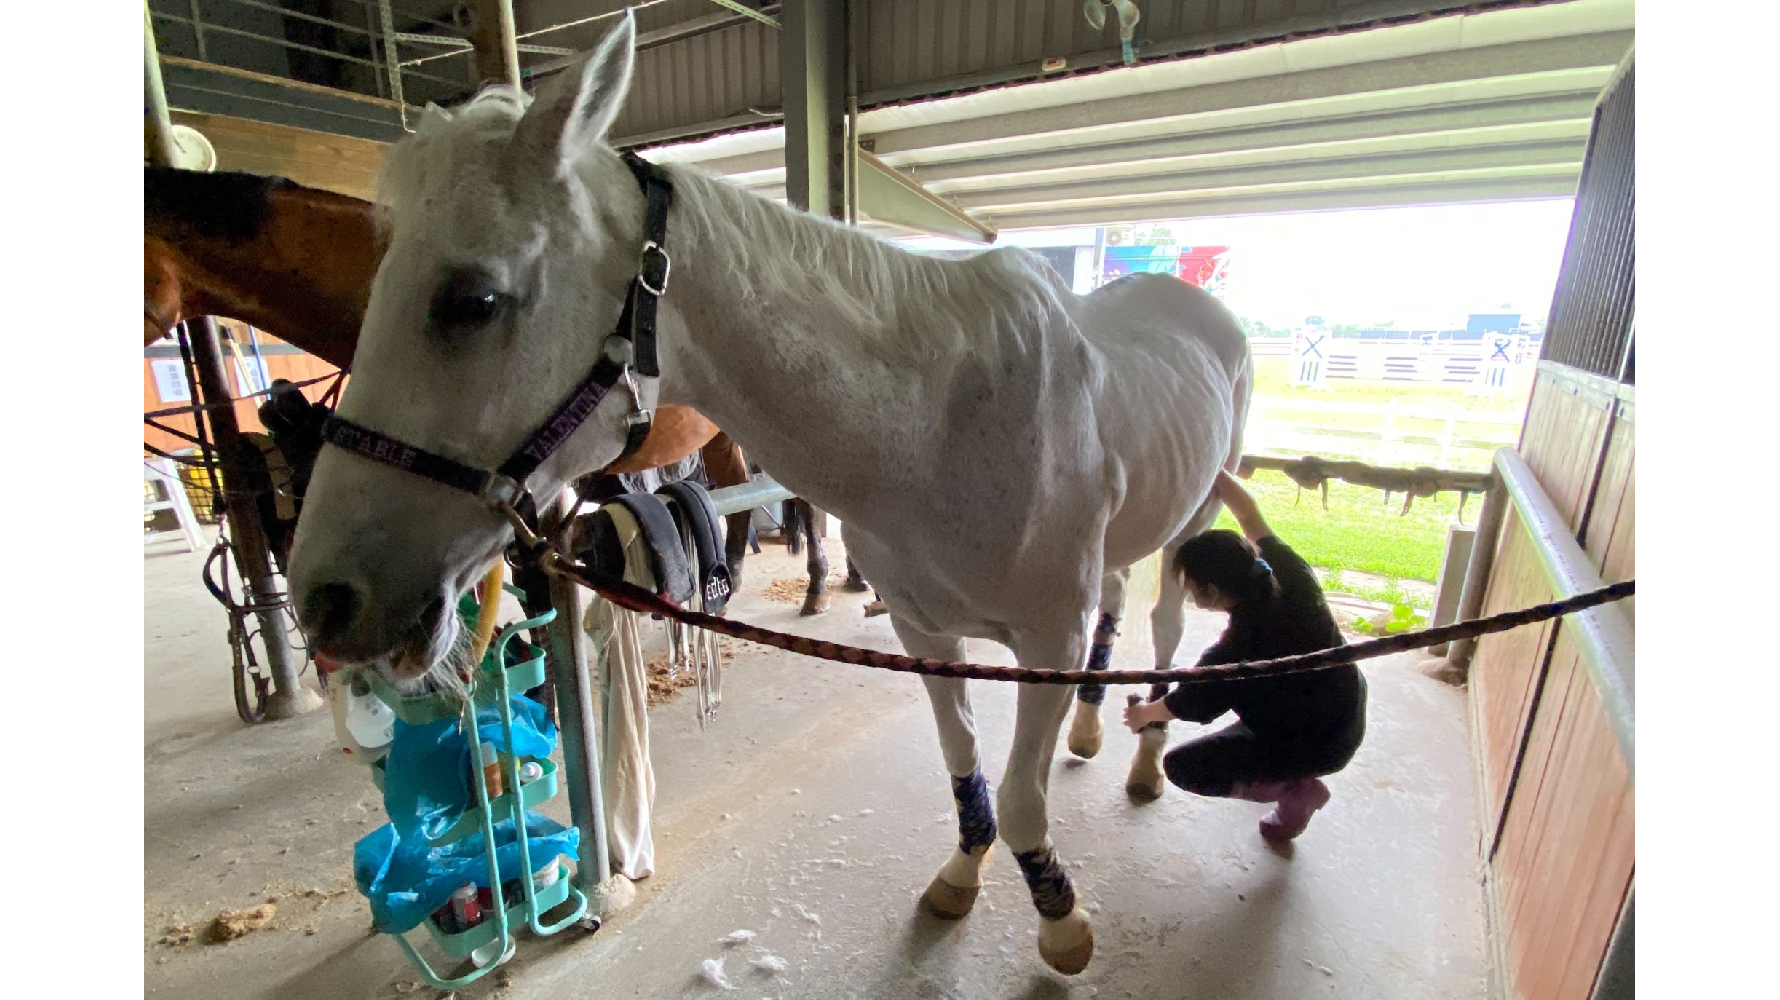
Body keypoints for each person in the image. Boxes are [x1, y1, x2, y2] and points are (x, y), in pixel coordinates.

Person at [1123, 469, 1367, 841]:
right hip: (1346, 711)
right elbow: (1249, 515)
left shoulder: (1235, 653)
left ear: (1210, 592)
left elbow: (1185, 704)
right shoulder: (1290, 571)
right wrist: (1216, 471)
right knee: (1273, 705)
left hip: (1314, 744)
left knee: (1183, 767)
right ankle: (1291, 775)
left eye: (1191, 589)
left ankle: (1296, 791)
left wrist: (1143, 714)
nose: (1190, 595)